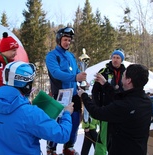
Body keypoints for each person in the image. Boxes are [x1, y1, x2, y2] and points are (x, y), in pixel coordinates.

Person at [0, 61, 74, 155]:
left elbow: (7, 127)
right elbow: (62, 135)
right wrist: (66, 114)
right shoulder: (30, 113)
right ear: (27, 85)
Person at [78, 64, 153, 155]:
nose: (122, 77)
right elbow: (120, 97)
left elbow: (97, 112)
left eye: (124, 75)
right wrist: (105, 84)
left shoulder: (125, 106)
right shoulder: (146, 101)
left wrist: (84, 96)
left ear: (129, 81)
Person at [45, 27, 87, 155]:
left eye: (69, 40)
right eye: (65, 40)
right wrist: (75, 77)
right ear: (59, 40)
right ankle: (51, 149)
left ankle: (68, 147)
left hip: (74, 95)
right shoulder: (52, 56)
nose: (67, 42)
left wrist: (82, 79)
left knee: (74, 123)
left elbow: (76, 72)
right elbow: (56, 73)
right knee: (58, 124)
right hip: (60, 95)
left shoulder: (71, 56)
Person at [91, 48, 126, 155]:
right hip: (106, 110)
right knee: (103, 137)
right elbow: (95, 92)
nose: (115, 60)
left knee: (120, 137)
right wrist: (98, 107)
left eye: (118, 58)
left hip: (121, 111)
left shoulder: (126, 73)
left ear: (122, 60)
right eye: (114, 57)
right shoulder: (103, 72)